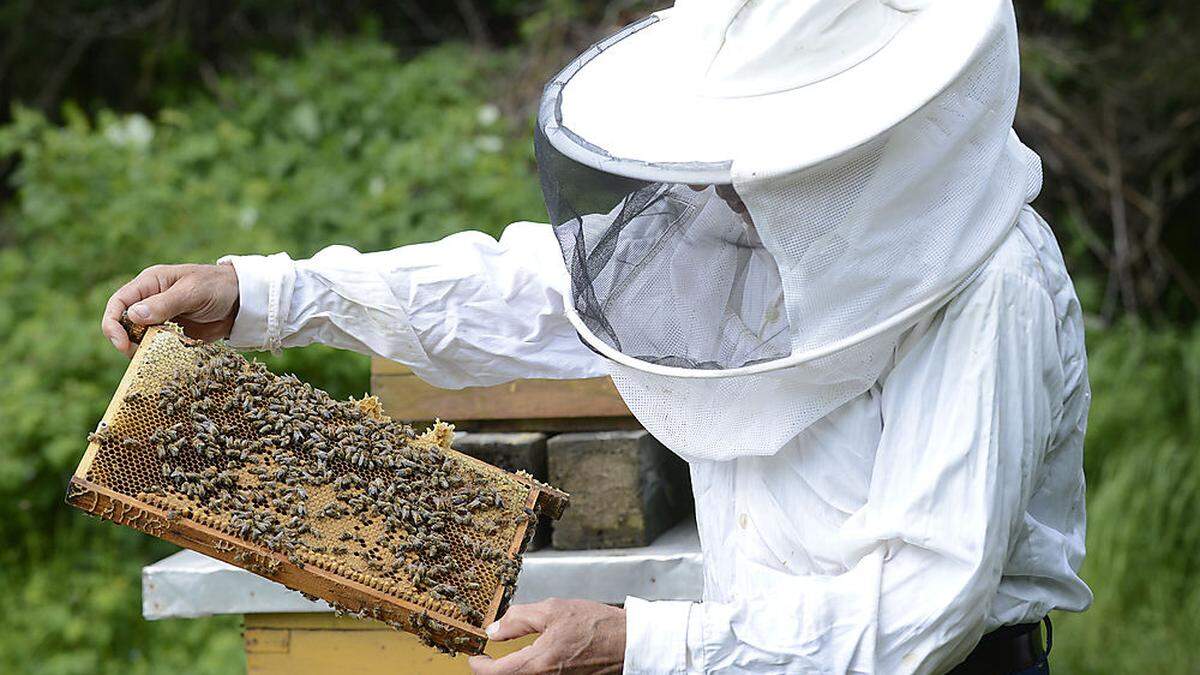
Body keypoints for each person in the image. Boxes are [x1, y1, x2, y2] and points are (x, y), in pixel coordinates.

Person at [101, 0, 1092, 672]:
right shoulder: (741, 211)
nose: (718, 182)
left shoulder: (993, 285)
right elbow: (534, 288)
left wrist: (637, 642)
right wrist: (263, 294)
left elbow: (923, 613)